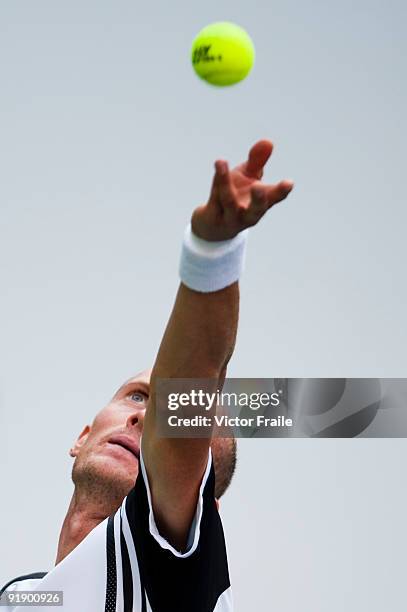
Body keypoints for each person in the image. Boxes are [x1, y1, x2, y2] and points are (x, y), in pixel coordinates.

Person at [0, 140, 294, 611]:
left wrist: (212, 253)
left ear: (201, 516)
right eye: (138, 397)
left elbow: (191, 386)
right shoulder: (23, 596)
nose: (150, 418)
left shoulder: (174, 585)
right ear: (82, 435)